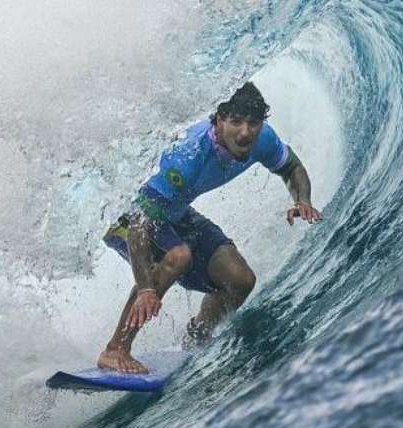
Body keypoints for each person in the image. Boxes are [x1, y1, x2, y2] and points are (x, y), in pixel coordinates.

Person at [99, 82, 322, 373]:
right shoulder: (188, 156)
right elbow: (140, 222)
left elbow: (291, 167)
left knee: (240, 280)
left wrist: (302, 199)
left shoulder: (262, 140)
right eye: (236, 122)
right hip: (127, 215)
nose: (245, 132)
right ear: (219, 121)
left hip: (173, 210)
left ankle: (196, 336)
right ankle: (116, 349)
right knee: (177, 256)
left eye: (253, 123)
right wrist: (145, 289)